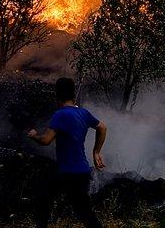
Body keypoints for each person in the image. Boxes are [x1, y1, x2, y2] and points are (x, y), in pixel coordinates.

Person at [26, 77, 107, 228]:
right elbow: (102, 127)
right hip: (82, 170)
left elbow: (46, 140)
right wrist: (96, 152)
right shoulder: (83, 113)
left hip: (67, 172)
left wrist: (33, 135)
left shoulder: (60, 114)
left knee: (43, 197)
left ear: (57, 94)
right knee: (85, 212)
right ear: (73, 93)